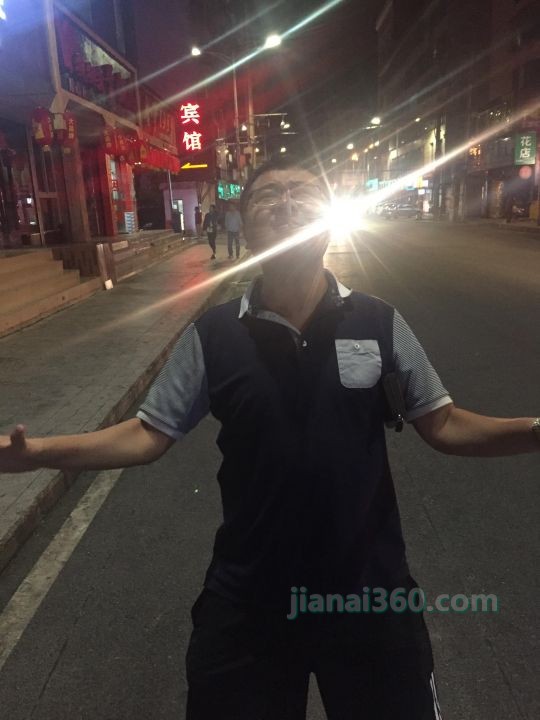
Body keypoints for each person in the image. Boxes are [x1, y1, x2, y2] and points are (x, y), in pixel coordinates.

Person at [1, 155, 539, 720]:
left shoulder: (379, 322)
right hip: (249, 598)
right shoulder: (214, 334)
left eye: (303, 194)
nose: (286, 205)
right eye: (268, 196)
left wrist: (534, 431)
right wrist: (38, 454)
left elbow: (446, 424)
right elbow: (146, 434)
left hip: (370, 593)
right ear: (244, 223)